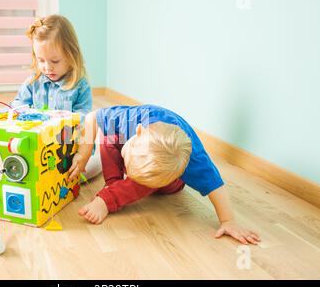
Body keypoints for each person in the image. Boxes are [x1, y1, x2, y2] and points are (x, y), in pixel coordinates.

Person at [69, 105, 261, 245]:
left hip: (165, 182)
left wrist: (228, 221)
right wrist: (84, 153)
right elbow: (92, 117)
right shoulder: (131, 119)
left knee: (149, 176)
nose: (126, 167)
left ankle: (108, 198)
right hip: (131, 141)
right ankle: (113, 184)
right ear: (138, 132)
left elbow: (215, 185)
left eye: (131, 169)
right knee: (109, 134)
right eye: (130, 157)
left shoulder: (194, 161)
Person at [12, 14, 100, 179]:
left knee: (79, 172)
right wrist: (26, 116)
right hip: (40, 146)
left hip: (68, 148)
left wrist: (58, 123)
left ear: (71, 55)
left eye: (55, 61)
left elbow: (84, 119)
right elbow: (18, 105)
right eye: (41, 60)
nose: (47, 67)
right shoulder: (32, 83)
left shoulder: (80, 86)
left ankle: (98, 162)